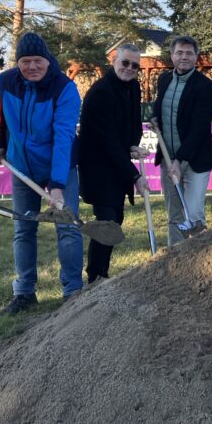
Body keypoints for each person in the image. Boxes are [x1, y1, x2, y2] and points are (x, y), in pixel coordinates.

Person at [0, 32, 83, 312]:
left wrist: (56, 184)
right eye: (25, 61)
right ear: (18, 63)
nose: (32, 66)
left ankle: (72, 291)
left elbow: (63, 136)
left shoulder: (64, 89)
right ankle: (24, 291)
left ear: (48, 60)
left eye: (38, 61)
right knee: (24, 228)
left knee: (67, 226)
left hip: (59, 166)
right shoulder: (4, 82)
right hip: (21, 168)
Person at [77, 43, 150, 283]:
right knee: (107, 220)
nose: (130, 68)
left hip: (116, 164)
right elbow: (106, 140)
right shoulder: (100, 92)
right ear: (114, 62)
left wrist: (132, 144)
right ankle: (96, 275)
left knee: (115, 219)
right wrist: (135, 176)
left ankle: (102, 273)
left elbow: (132, 124)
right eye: (125, 63)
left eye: (135, 65)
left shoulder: (133, 87)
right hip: (98, 167)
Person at [151, 35, 212, 245]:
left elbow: (199, 128)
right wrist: (154, 118)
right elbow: (160, 105)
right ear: (172, 55)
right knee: (175, 215)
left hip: (195, 160)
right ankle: (174, 259)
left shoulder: (205, 86)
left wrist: (180, 160)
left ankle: (197, 260)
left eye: (189, 53)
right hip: (168, 159)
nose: (184, 57)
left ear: (196, 57)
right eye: (179, 52)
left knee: (193, 215)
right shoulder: (164, 79)